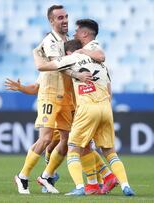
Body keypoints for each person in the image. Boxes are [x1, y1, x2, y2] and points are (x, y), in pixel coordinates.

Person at [33, 39, 135, 196]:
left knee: (72, 148)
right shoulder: (100, 64)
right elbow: (109, 90)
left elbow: (42, 67)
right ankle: (123, 185)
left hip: (86, 109)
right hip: (106, 108)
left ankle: (80, 187)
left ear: (67, 53)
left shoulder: (72, 58)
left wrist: (36, 52)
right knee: (108, 152)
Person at [14, 5, 79, 194]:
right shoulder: (50, 41)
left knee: (67, 141)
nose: (65, 20)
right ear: (51, 21)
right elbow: (58, 65)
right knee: (46, 139)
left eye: (66, 16)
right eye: (60, 18)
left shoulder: (68, 41)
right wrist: (78, 74)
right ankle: (22, 176)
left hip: (66, 97)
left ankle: (46, 176)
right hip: (50, 96)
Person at [72, 19, 118, 195]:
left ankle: (88, 185)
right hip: (99, 106)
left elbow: (101, 55)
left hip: (88, 107)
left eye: (77, 31)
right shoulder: (94, 61)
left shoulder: (91, 51)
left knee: (75, 146)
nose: (75, 33)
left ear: (84, 34)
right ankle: (103, 179)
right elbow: (108, 87)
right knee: (86, 146)